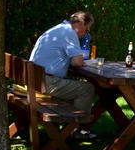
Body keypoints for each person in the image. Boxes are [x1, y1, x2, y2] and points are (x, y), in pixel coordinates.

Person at [28, 11, 96, 139]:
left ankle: (69, 128)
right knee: (87, 89)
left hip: (35, 79)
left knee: (74, 87)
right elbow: (77, 62)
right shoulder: (69, 33)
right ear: (80, 23)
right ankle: (75, 130)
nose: (85, 34)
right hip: (45, 82)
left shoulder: (58, 29)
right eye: (86, 29)